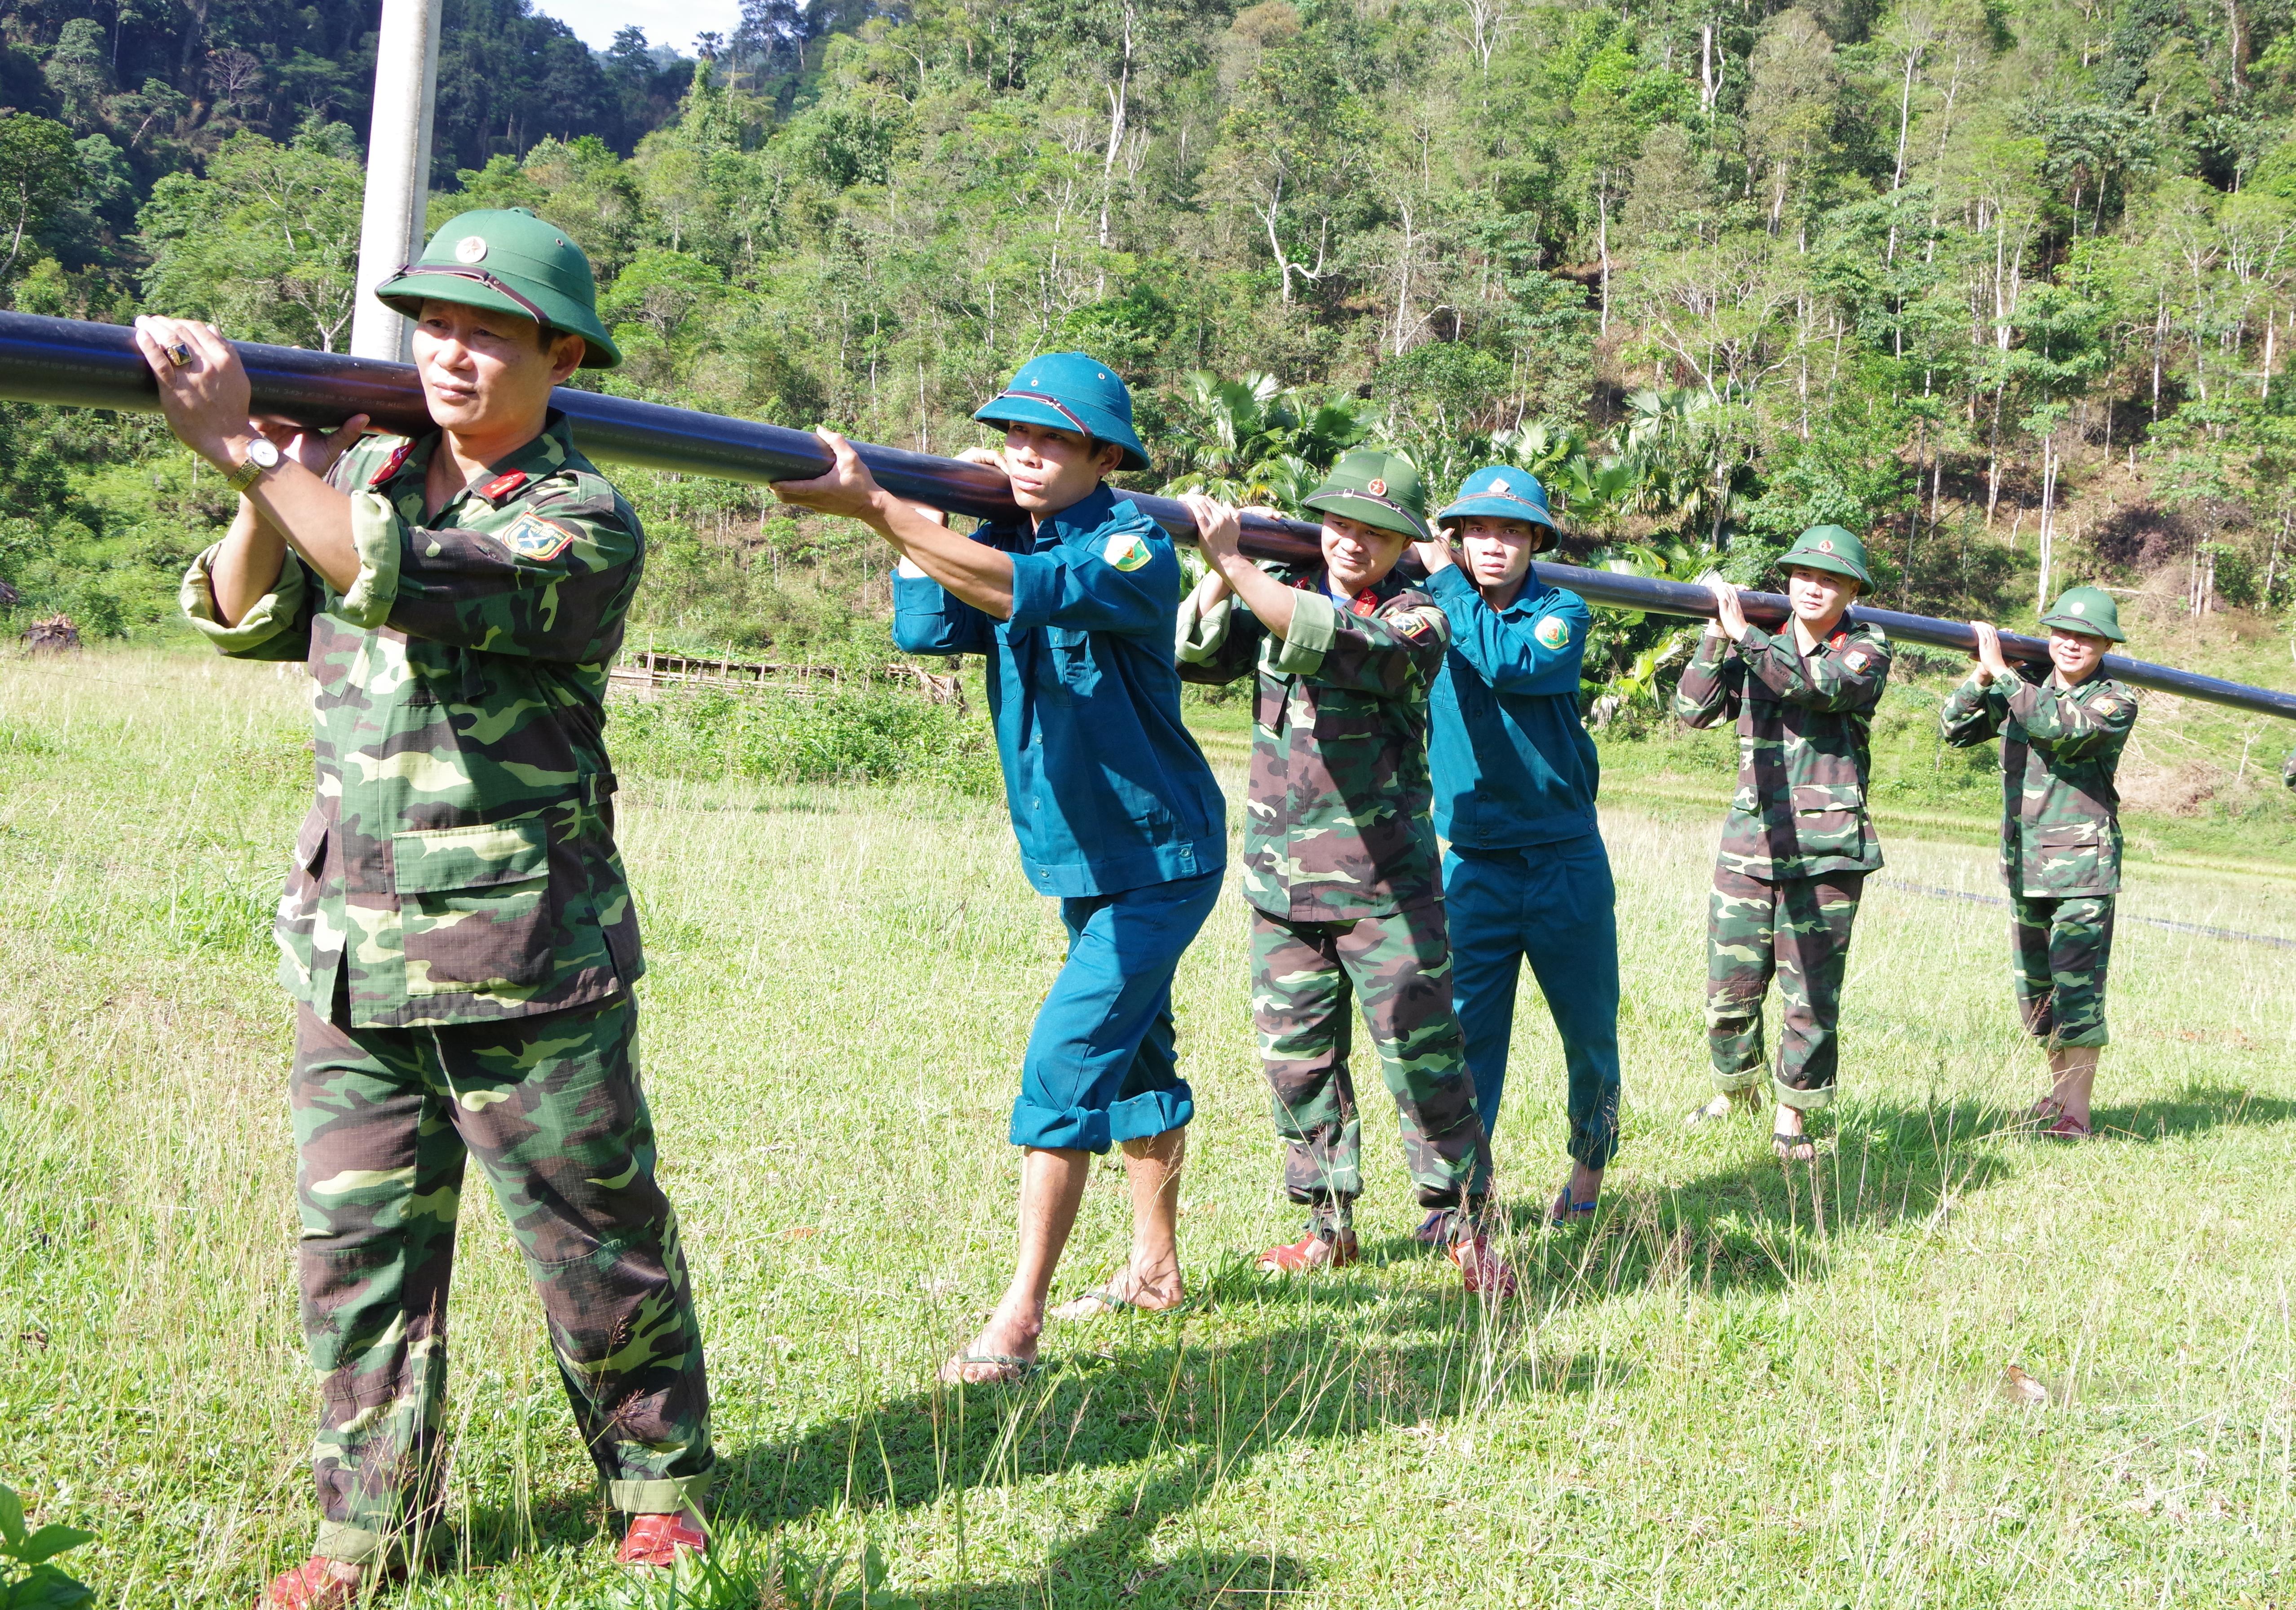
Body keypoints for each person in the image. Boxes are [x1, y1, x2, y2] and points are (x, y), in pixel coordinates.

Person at [144, 208, 713, 1608]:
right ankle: (364, 1532)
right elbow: (235, 613)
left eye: (492, 331)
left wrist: (251, 449)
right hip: (352, 948)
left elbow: (389, 574)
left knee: (593, 1241)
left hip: (522, 951)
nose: (454, 355)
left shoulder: (578, 519)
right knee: (359, 1258)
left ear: (560, 353)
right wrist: (269, 479)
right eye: (436, 327)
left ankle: (656, 1494)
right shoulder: (367, 472)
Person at [770, 353, 1227, 1383]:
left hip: (1160, 858)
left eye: (1054, 439)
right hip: (1081, 857)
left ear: (1104, 454)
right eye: (1014, 435)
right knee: (1138, 1061)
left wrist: (881, 506)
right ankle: (1154, 1272)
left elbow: (1014, 591)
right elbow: (930, 626)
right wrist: (941, 505)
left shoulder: (1132, 546)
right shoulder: (999, 531)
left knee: (1063, 1069)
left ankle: (1017, 1321)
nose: (1027, 452)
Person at [1174, 450, 1508, 1293]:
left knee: (1423, 1059)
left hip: (1381, 887)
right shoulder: (1284, 584)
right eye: (1337, 525)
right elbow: (1192, 654)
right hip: (1281, 883)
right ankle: (1328, 1224)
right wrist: (1216, 574)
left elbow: (1323, 639)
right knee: (1297, 1063)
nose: (1350, 542)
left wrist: (1238, 561)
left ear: (1405, 543)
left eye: (1374, 531)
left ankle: (1469, 1227)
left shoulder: (1418, 619)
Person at [1412, 466, 1620, 1227]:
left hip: (1564, 856)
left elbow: (1510, 661)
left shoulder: (1560, 611)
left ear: (1535, 540)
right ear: (1457, 536)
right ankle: (1461, 1199)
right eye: (1476, 531)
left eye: (1510, 531)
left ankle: (1588, 1176)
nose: (1492, 546)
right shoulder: (1426, 606)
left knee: (1590, 1029)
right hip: (1472, 856)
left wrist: (1443, 579)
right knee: (1465, 1035)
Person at [1674, 526, 1891, 1161]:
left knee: (1810, 993)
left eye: (1830, 580)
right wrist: (1718, 631)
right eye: (1803, 576)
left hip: (1827, 850)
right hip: (1752, 840)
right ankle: (1733, 1093)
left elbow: (1813, 686)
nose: (1814, 588)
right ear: (1788, 582)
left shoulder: (1865, 647)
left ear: (1852, 589)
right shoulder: (1755, 640)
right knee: (1729, 986)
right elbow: (1693, 710)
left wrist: (1745, 634)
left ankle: (1793, 1116)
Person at [1940, 586, 2138, 1140]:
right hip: (2026, 862)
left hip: (2081, 867)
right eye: (2063, 633)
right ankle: (2056, 1098)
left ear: (2105, 644)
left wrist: (2005, 674)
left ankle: (2077, 1113)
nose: (2072, 644)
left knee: (2078, 990)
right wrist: (1982, 678)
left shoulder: (2114, 700)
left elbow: (2062, 729)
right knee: (2040, 995)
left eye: (2087, 637)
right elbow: (1955, 730)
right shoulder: (2022, 686)